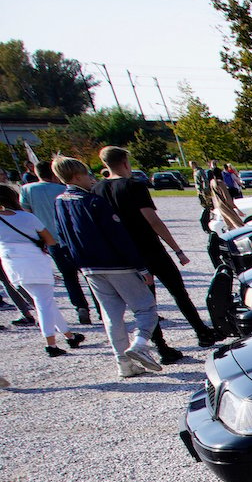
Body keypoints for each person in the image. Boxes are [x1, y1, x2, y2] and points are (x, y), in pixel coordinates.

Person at [100, 146, 216, 356]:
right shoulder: (133, 186)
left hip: (126, 255)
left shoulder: (97, 189)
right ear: (125, 162)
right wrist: (177, 249)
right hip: (150, 248)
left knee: (146, 303)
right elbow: (153, 220)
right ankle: (202, 332)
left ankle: (160, 346)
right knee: (178, 292)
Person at [51, 155, 161, 379]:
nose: (90, 179)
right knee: (145, 307)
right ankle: (140, 344)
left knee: (111, 315)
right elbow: (118, 236)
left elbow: (62, 236)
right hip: (116, 263)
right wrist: (140, 266)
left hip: (89, 266)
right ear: (77, 176)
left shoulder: (60, 202)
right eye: (86, 174)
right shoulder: (93, 202)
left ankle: (123, 363)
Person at [0, 183, 85, 358]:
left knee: (45, 301)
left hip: (11, 263)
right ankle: (51, 344)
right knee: (43, 302)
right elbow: (50, 240)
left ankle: (70, 336)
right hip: (34, 261)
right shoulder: (27, 217)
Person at [22, 161, 92, 324]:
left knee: (69, 277)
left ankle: (81, 307)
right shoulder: (63, 189)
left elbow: (27, 214)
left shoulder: (27, 189)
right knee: (88, 273)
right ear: (54, 174)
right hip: (73, 238)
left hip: (50, 239)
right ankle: (101, 308)